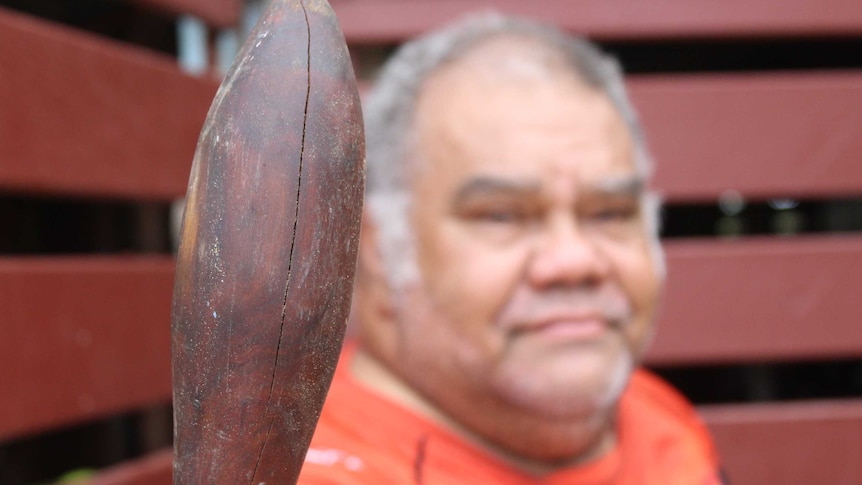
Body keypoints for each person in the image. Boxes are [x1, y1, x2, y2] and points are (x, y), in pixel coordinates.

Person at [299, 12, 723, 484]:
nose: (574, 260)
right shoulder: (288, 469)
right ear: (378, 249)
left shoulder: (659, 421)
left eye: (610, 213)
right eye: (503, 215)